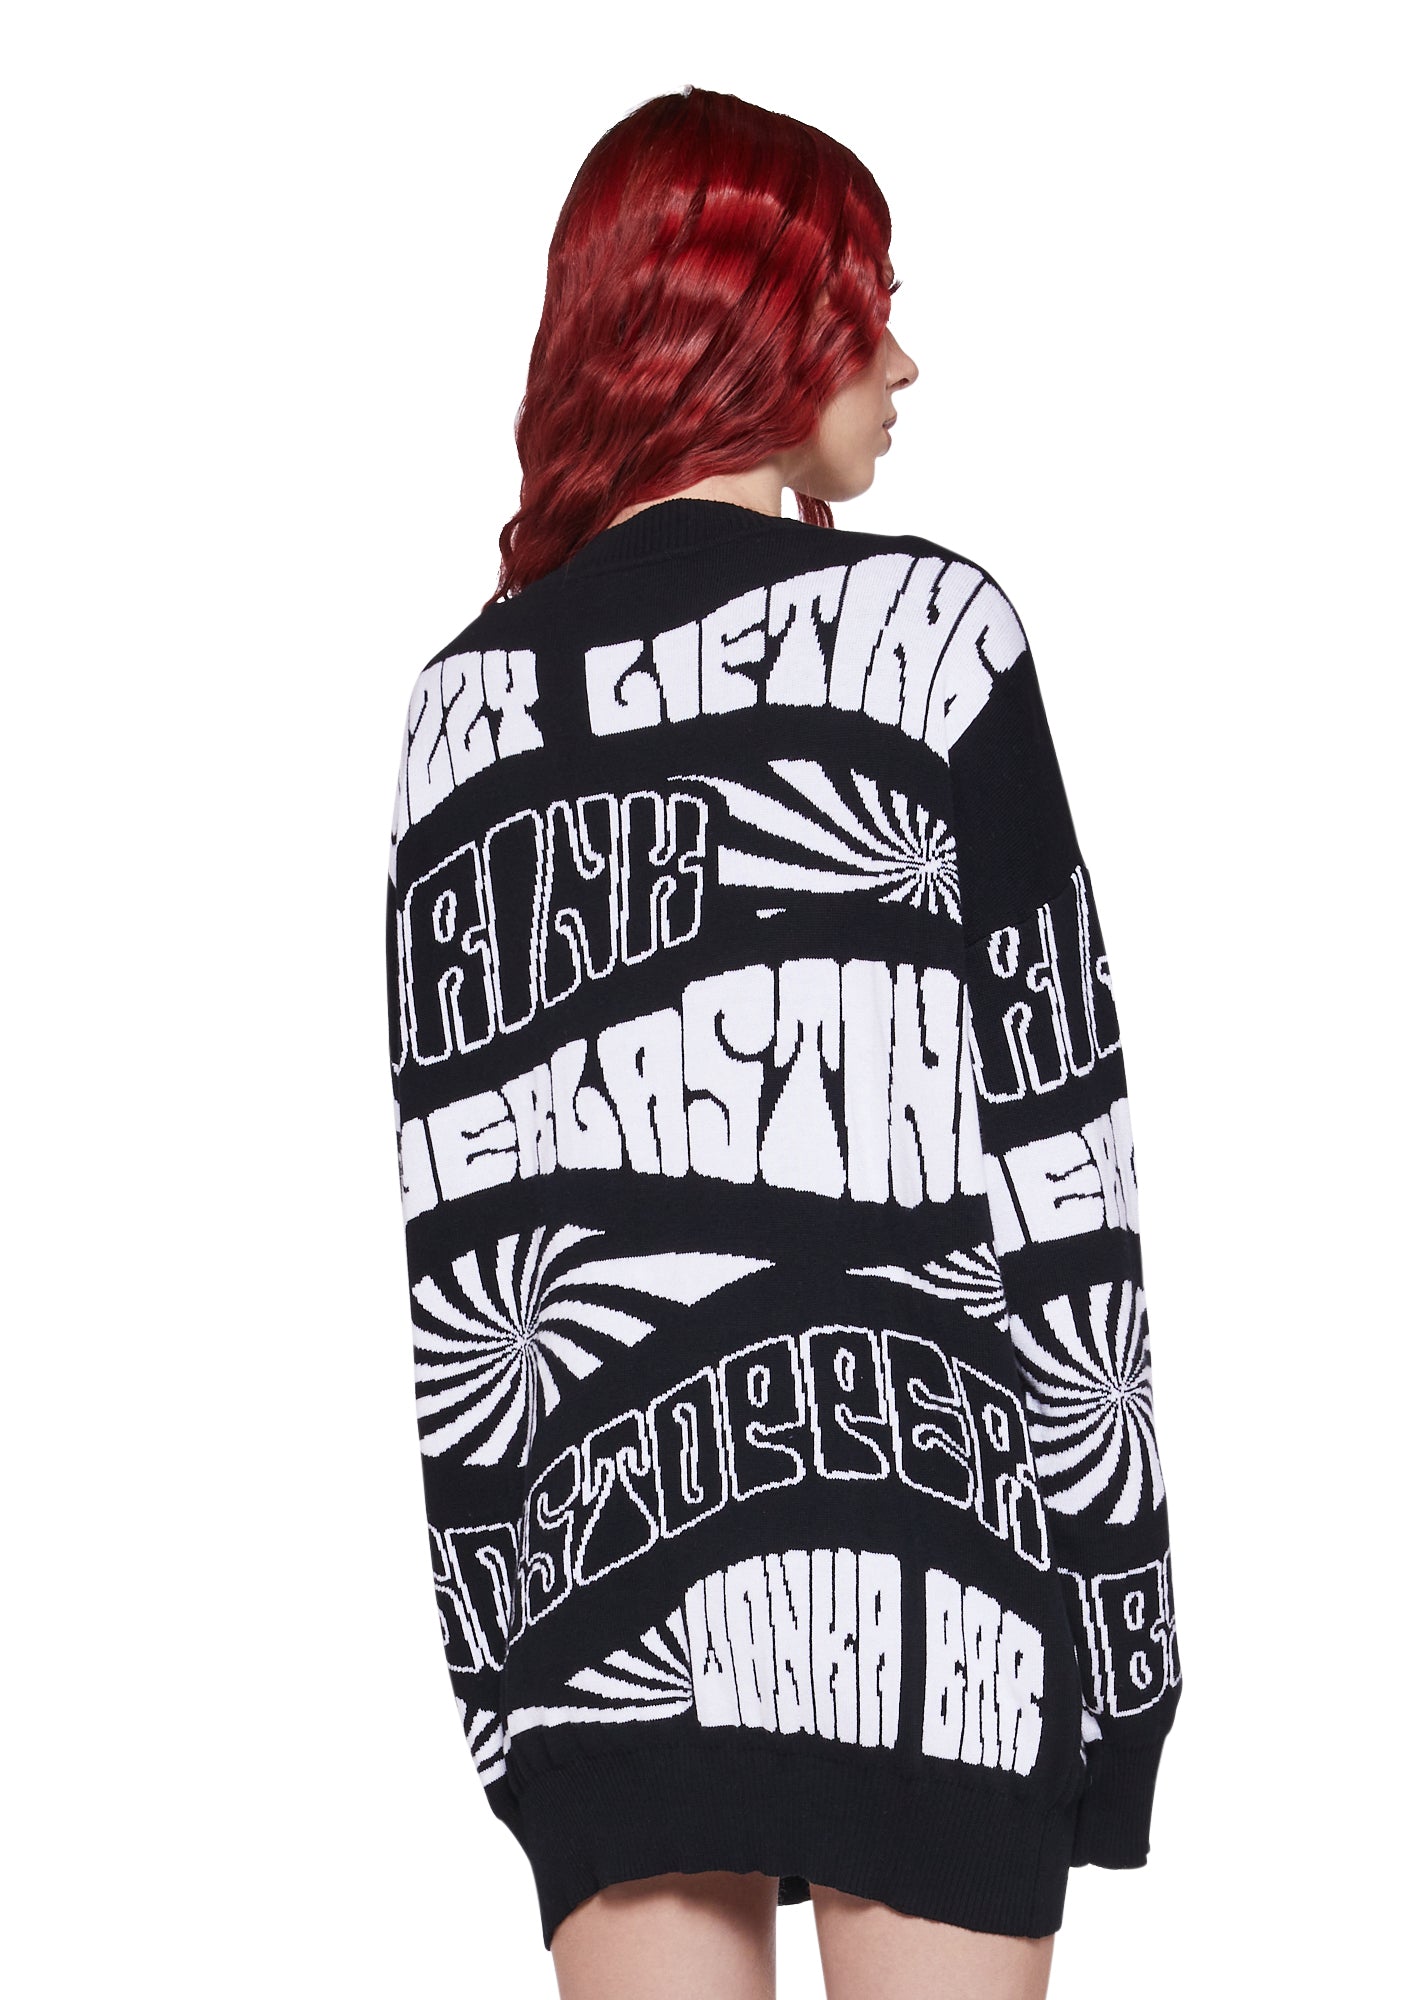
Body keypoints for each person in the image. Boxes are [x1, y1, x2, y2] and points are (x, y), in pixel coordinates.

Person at [383, 85, 1182, 2000]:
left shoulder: (459, 714)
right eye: (862, 311)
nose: (900, 364)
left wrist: (508, 1684)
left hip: (597, 1610)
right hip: (935, 1583)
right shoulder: (929, 641)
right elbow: (1060, 1153)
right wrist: (1127, 1643)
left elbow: (456, 1251)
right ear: (749, 326)